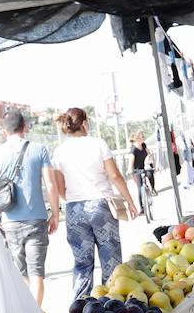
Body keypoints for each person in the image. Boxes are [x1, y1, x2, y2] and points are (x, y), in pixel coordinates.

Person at [51, 107, 137, 301]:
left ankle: (81, 307)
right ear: (84, 123)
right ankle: (111, 305)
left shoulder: (59, 151)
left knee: (82, 263)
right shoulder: (98, 144)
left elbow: (59, 187)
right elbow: (114, 176)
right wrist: (130, 201)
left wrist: (73, 200)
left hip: (75, 209)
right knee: (111, 261)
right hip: (101, 206)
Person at [0, 108, 58, 310]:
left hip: (10, 222)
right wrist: (55, 214)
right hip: (37, 220)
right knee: (36, 273)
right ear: (25, 127)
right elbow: (51, 185)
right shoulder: (39, 149)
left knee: (22, 273)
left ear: (4, 131)